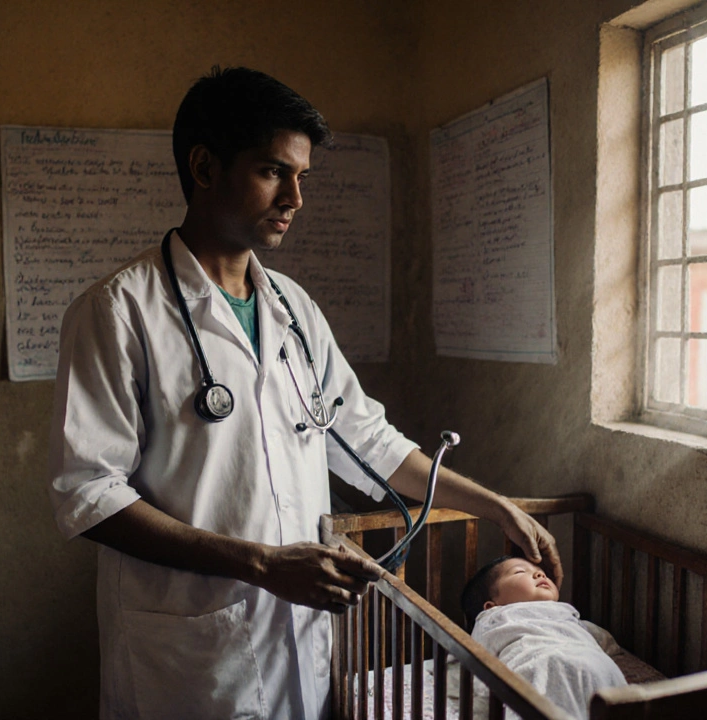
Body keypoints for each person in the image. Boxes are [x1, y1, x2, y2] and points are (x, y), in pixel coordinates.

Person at [48, 65, 563, 720]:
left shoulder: (293, 308)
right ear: (205, 168)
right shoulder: (118, 312)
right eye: (272, 171)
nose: (295, 196)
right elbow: (89, 494)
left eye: (301, 176)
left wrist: (496, 507)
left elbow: (366, 439)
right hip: (190, 651)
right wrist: (260, 564)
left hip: (296, 634)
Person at [461, 556, 626, 720]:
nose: (540, 575)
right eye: (520, 571)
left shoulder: (567, 615)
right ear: (491, 606)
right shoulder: (493, 618)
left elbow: (599, 638)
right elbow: (478, 653)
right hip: (543, 664)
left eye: (541, 572)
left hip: (600, 671)